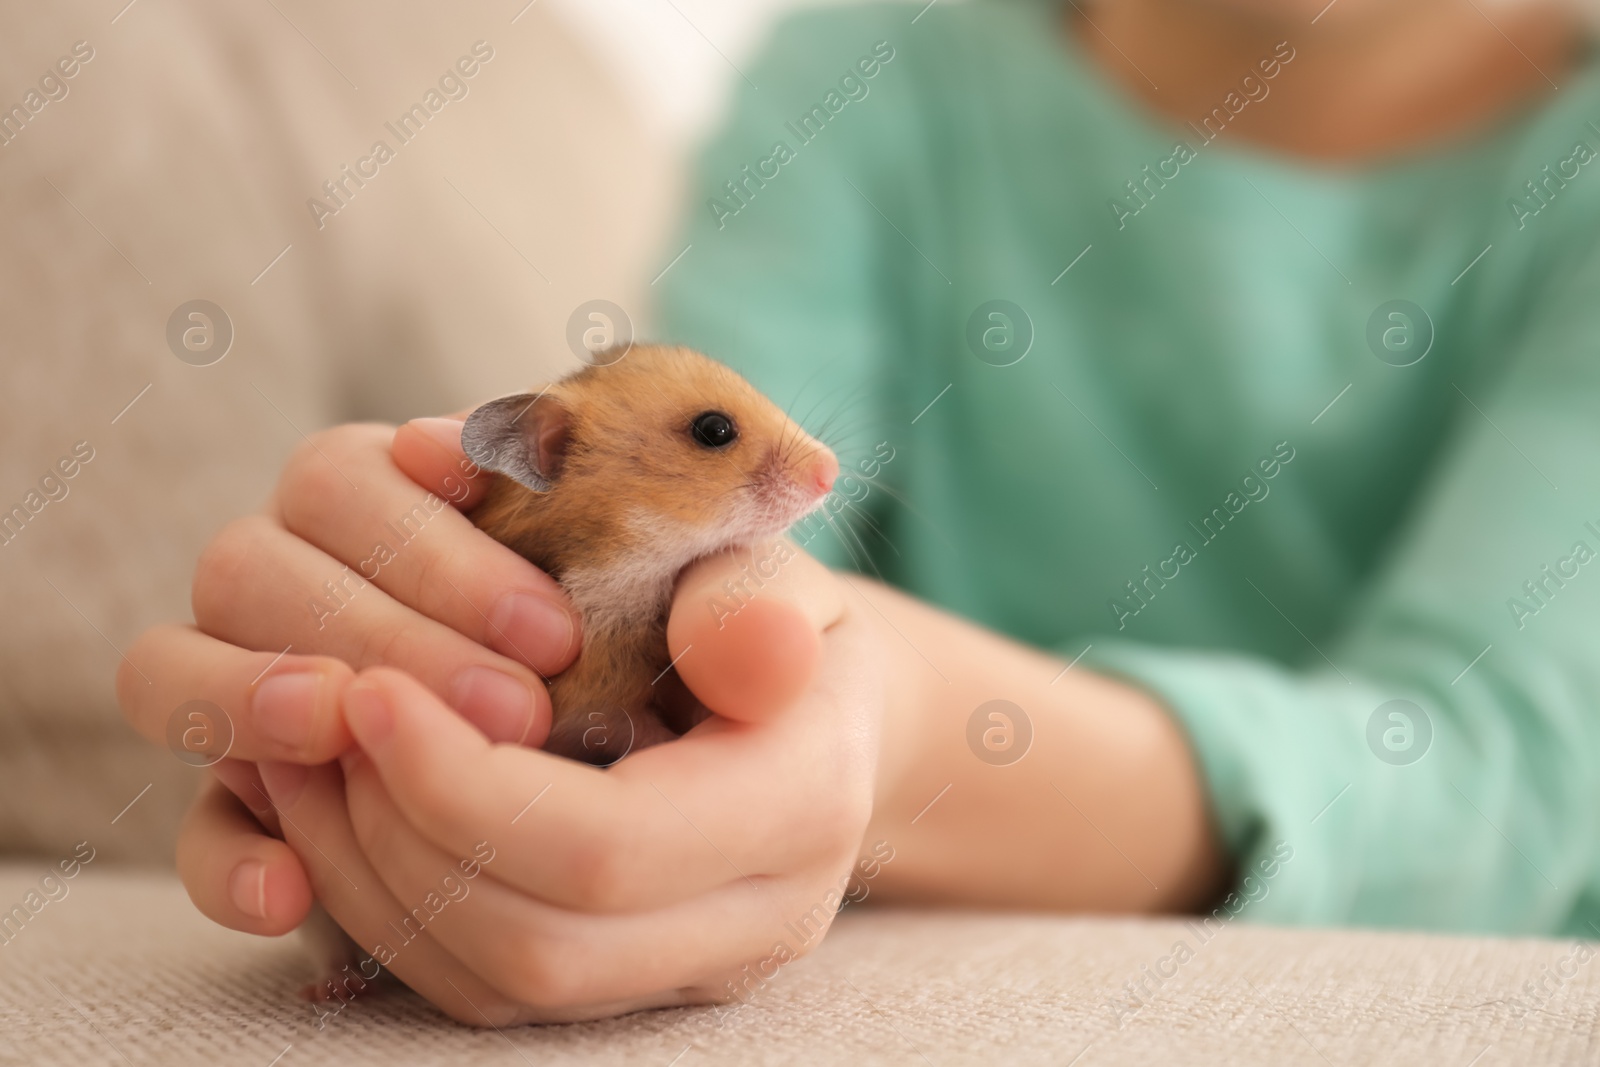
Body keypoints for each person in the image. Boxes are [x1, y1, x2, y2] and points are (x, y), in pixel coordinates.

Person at [117, 0, 1600, 1025]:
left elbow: (1495, 777)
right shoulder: (870, 67)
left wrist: (892, 730)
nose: (806, 465)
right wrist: (403, 665)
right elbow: (751, 562)